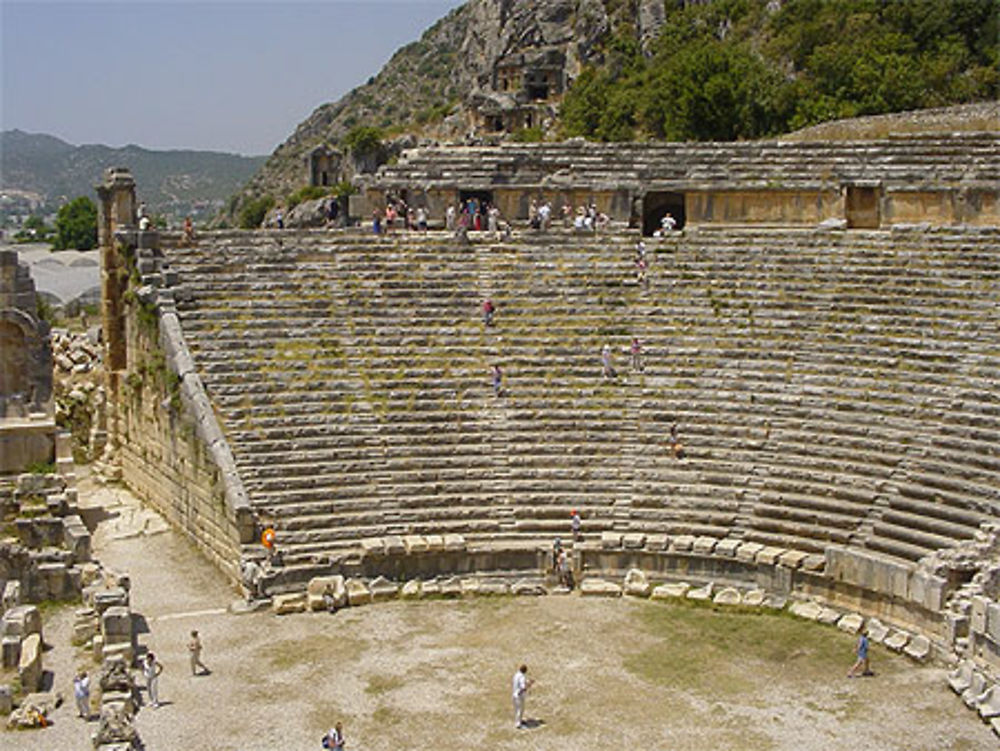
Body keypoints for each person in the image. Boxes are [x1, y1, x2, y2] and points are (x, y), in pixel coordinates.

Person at [512, 664, 533, 729]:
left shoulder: (516, 675)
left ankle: (519, 721)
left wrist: (527, 682)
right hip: (519, 696)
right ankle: (518, 724)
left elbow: (520, 683)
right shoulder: (522, 677)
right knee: (520, 710)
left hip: (514, 694)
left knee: (517, 709)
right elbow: (523, 687)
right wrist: (529, 684)